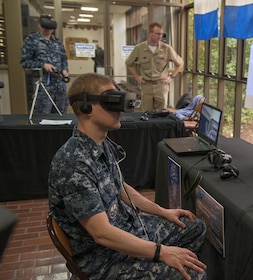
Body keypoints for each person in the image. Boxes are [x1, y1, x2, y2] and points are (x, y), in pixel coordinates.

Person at [48, 73, 207, 280]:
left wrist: (163, 212)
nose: (120, 109)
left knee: (195, 228)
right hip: (104, 259)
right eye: (112, 101)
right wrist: (162, 252)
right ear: (85, 107)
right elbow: (102, 233)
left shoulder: (102, 144)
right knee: (195, 275)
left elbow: (121, 187)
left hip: (127, 229)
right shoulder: (73, 164)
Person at [125, 22, 184, 111]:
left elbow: (180, 63)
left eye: (161, 34)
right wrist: (137, 77)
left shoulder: (166, 48)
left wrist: (171, 77)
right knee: (146, 112)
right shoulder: (139, 48)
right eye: (157, 34)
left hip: (161, 85)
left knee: (161, 113)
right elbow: (128, 63)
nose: (160, 36)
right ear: (150, 33)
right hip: (146, 85)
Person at [20, 14, 69, 114]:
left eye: (51, 28)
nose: (48, 30)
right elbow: (25, 62)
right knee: (42, 116)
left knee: (61, 116)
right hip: (43, 87)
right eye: (46, 27)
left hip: (59, 86)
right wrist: (43, 65)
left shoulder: (57, 42)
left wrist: (65, 70)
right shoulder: (31, 40)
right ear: (39, 25)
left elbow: (63, 59)